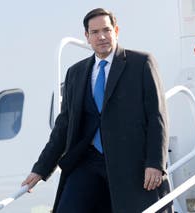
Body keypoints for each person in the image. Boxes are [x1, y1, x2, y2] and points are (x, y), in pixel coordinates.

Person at [22, 8, 172, 213]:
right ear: (87, 36)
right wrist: (41, 169)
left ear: (116, 31)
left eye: (106, 30)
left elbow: (157, 117)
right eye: (94, 32)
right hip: (88, 161)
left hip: (130, 162)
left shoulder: (141, 63)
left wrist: (155, 163)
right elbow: (64, 125)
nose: (101, 36)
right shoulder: (75, 73)